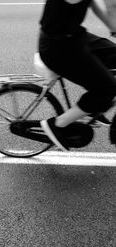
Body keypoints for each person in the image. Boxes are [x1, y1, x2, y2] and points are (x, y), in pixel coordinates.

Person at [38, 0, 116, 151]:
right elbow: (112, 6)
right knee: (107, 90)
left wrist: (113, 29)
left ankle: (94, 109)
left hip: (73, 37)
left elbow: (94, 4)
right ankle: (57, 124)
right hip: (58, 48)